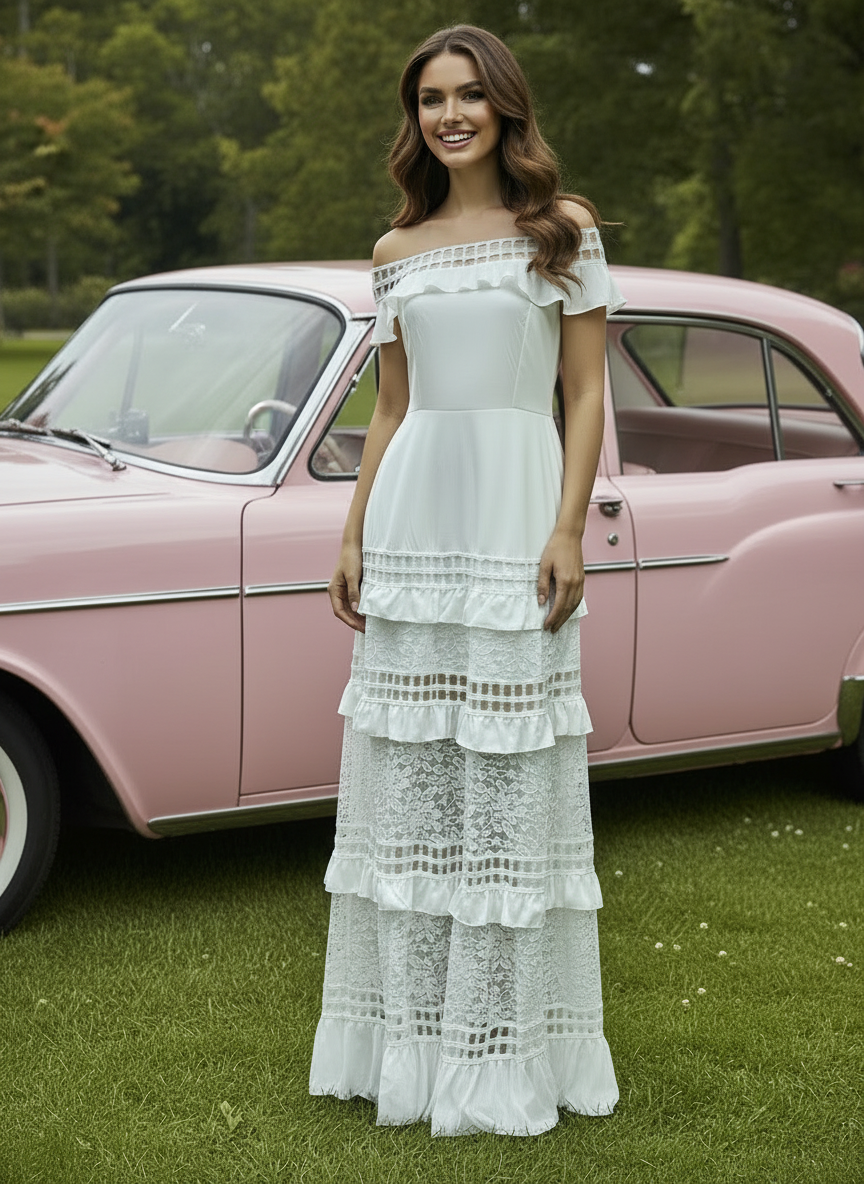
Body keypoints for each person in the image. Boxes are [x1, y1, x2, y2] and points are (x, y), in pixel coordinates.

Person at [309, 24, 624, 1136]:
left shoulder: (561, 230)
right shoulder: (396, 248)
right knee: (411, 787)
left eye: (468, 95)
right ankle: (406, 1048)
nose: (449, 115)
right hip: (413, 522)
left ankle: (501, 1051)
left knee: (509, 782)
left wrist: (568, 526)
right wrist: (353, 531)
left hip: (515, 520)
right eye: (431, 98)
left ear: (505, 107)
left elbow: (584, 394)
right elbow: (392, 406)